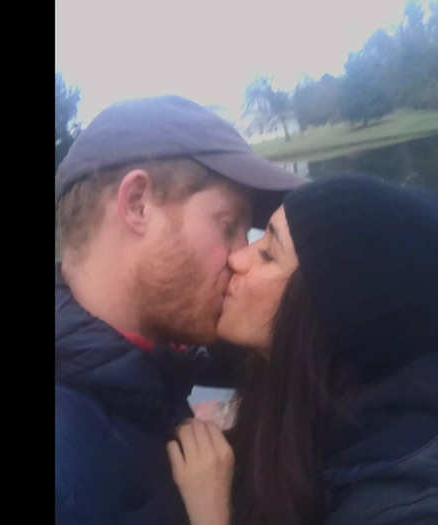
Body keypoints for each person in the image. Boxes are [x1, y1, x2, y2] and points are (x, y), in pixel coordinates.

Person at [167, 173, 438, 525]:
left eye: (268, 252)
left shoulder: (417, 511)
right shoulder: (353, 364)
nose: (238, 258)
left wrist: (213, 515)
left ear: (335, 312)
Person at [55, 95, 306, 525]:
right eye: (229, 227)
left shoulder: (149, 371)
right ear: (137, 204)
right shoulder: (68, 463)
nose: (239, 258)